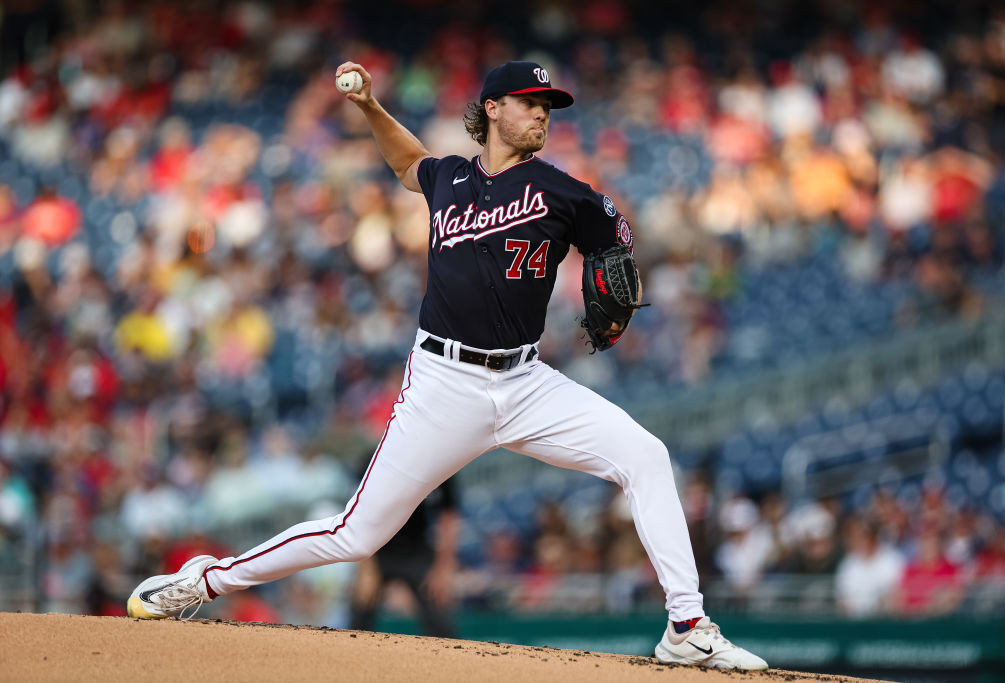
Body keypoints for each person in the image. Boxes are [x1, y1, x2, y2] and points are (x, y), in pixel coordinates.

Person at [127, 60, 767, 671]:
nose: (542, 114)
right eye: (530, 103)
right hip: (444, 383)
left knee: (647, 456)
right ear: (493, 109)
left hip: (525, 382)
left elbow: (616, 242)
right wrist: (371, 106)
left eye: (548, 106)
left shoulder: (561, 190)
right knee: (357, 535)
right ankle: (205, 581)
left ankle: (688, 629)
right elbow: (409, 162)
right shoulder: (451, 179)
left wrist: (617, 266)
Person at [349, 466, 459, 638]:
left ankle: (453, 664)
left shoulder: (444, 464)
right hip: (377, 550)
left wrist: (443, 568)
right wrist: (365, 569)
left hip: (417, 550)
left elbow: (448, 517)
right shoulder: (373, 460)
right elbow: (360, 514)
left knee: (440, 619)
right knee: (359, 615)